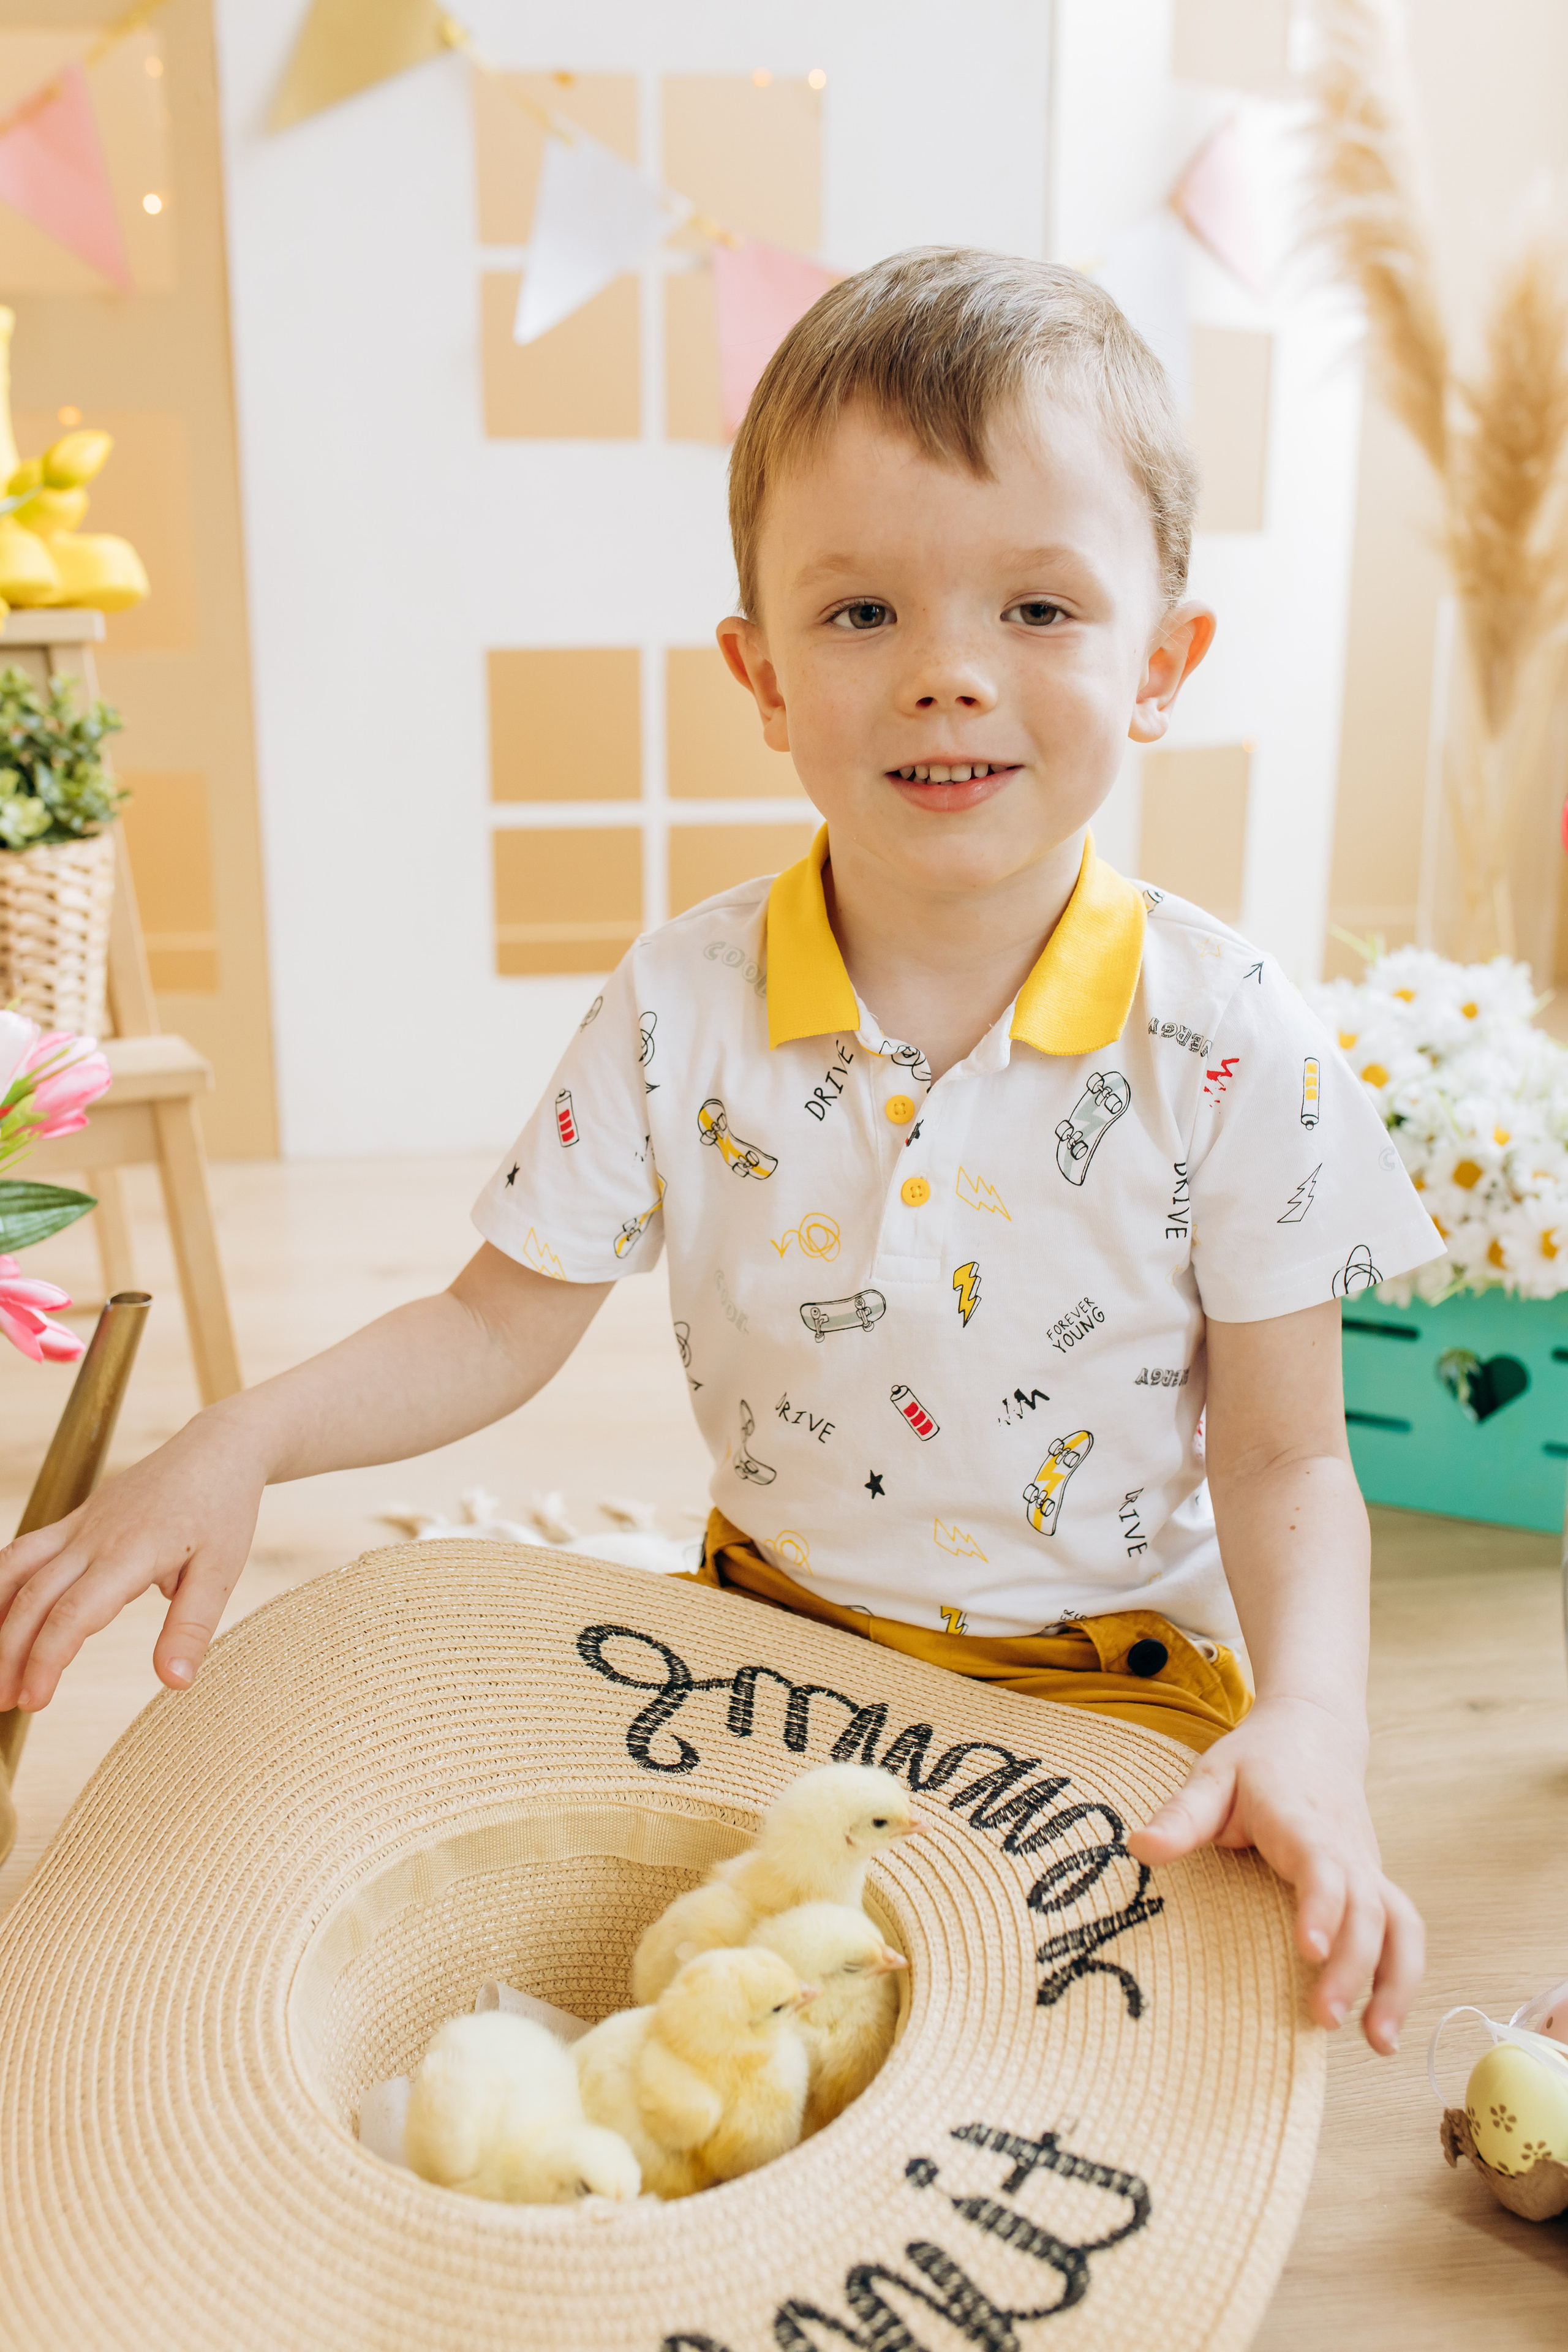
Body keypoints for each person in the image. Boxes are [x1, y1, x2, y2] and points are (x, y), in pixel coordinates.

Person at [0, 249, 1439, 2056]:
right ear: (760, 673)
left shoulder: (1231, 1037)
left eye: (1038, 608)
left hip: (1104, 1698)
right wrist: (239, 1440)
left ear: (1162, 663)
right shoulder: (683, 1003)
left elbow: (1290, 1453)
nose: (947, 676)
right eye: (863, 614)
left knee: (1081, 2063)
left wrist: (1314, 1725)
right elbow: (492, 1324)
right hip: (761, 1656)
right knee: (626, 2020)